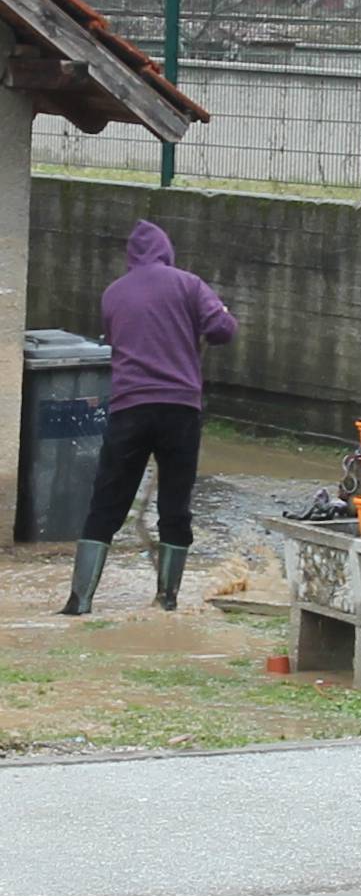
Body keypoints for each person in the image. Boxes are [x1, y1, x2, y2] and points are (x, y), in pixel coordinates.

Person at [63, 220, 238, 618]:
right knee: (175, 503)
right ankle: (168, 598)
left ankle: (80, 600)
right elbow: (222, 330)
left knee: (107, 500)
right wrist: (220, 316)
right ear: (166, 251)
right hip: (179, 410)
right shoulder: (188, 284)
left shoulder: (112, 294)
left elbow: (116, 339)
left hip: (129, 409)